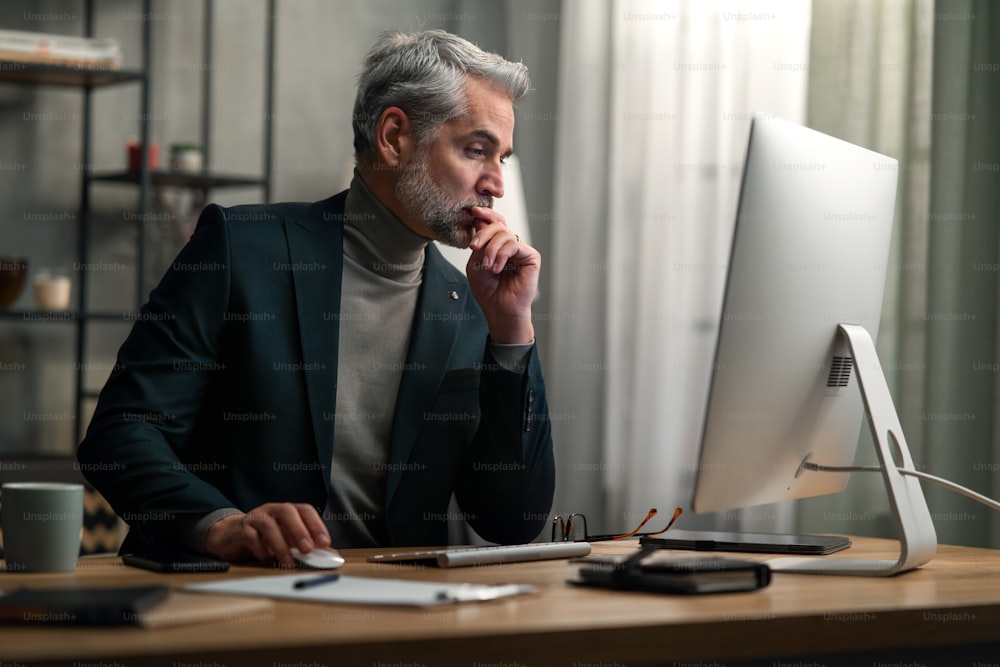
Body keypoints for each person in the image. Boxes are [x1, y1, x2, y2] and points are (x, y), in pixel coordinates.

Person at [77, 30, 555, 568]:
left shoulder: (475, 311)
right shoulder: (239, 250)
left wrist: (513, 332)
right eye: (476, 150)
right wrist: (222, 526)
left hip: (403, 617)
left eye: (502, 157)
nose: (496, 183)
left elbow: (510, 521)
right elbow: (121, 433)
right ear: (394, 136)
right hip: (231, 599)